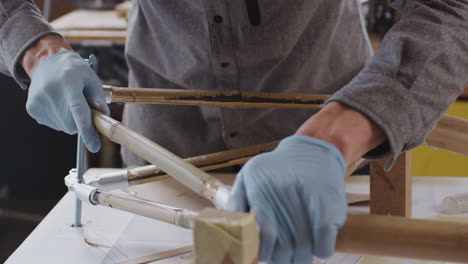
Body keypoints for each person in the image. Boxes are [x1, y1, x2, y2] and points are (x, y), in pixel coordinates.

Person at [1, 0, 467, 263]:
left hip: (337, 163)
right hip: (162, 163)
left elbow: (450, 11)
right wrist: (36, 49)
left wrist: (333, 139)